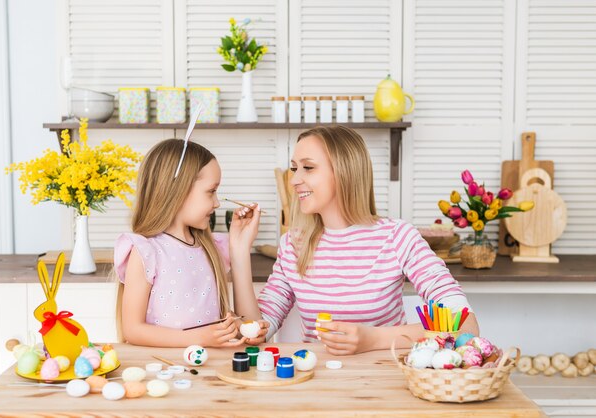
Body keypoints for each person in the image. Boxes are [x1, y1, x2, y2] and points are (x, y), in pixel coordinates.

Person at [230, 126, 479, 355]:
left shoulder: (398, 237)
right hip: (316, 382)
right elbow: (254, 334)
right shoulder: (292, 245)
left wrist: (373, 339)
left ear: (345, 172)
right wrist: (240, 250)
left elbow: (466, 326)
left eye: (308, 167)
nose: (294, 179)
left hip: (387, 383)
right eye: (295, 168)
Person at [114, 138, 246, 348]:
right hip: (165, 370)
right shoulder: (146, 251)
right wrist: (198, 339)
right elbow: (133, 330)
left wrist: (232, 325)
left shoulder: (212, 249)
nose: (217, 202)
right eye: (211, 191)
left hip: (207, 369)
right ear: (178, 190)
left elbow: (209, 315)